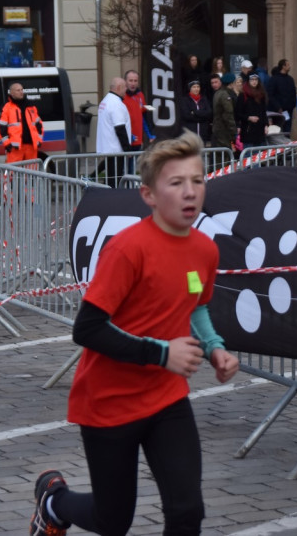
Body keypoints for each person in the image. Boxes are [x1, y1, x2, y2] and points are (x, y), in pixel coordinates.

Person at [27, 130, 239, 536]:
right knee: (113, 521)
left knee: (187, 511)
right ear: (149, 195)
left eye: (197, 181)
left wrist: (215, 348)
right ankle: (54, 503)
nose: (190, 192)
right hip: (109, 403)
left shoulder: (204, 250)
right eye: (176, 183)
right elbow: (87, 329)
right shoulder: (128, 249)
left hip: (166, 399)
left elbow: (196, 303)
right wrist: (162, 354)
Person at [95, 77, 132, 186]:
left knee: (110, 179)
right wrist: (127, 149)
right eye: (125, 87)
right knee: (115, 181)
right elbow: (120, 128)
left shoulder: (105, 101)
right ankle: (113, 201)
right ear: (119, 87)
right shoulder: (116, 104)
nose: (126, 89)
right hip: (116, 149)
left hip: (108, 148)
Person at [0, 82, 44, 163]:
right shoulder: (6, 108)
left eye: (22, 90)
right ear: (12, 92)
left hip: (31, 146)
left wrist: (39, 140)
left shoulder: (31, 107)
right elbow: (0, 127)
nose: (21, 92)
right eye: (18, 90)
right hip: (15, 147)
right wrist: (7, 144)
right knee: (12, 172)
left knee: (31, 172)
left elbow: (39, 125)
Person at [234, 72, 267, 150]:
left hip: (259, 130)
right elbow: (237, 113)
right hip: (248, 130)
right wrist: (249, 118)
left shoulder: (261, 94)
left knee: (259, 156)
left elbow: (263, 111)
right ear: (248, 81)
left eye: (256, 79)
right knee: (249, 156)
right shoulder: (243, 95)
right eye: (252, 80)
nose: (254, 81)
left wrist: (266, 124)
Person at [123, 70, 153, 149]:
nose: (133, 83)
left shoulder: (140, 95)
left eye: (135, 81)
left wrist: (149, 134)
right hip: (125, 140)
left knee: (136, 161)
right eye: (130, 81)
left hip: (138, 139)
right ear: (125, 81)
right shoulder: (121, 96)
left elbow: (143, 116)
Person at [265, 59, 297, 133]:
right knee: (277, 130)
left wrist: (292, 105)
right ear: (283, 66)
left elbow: (293, 93)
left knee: (287, 130)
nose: (290, 67)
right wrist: (278, 107)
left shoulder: (290, 79)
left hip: (288, 110)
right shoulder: (274, 79)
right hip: (277, 111)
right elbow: (270, 94)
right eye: (288, 65)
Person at [211, 73, 238, 153]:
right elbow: (228, 114)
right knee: (225, 156)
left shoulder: (218, 93)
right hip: (224, 131)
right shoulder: (225, 95)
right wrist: (233, 131)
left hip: (219, 129)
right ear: (231, 83)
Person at [180, 79, 212, 145]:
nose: (196, 89)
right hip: (190, 132)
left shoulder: (204, 99)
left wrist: (195, 112)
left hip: (203, 132)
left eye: (198, 87)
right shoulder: (185, 100)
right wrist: (202, 115)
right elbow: (186, 116)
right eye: (194, 87)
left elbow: (208, 113)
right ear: (190, 88)